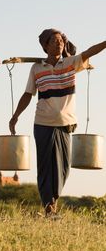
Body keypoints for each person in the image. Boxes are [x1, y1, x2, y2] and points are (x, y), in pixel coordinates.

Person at [9, 28, 106, 217]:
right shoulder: (37, 68)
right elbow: (28, 94)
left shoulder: (71, 63)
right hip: (43, 122)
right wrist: (15, 116)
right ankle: (49, 206)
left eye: (61, 40)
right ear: (45, 46)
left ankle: (53, 201)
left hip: (65, 122)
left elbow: (90, 51)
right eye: (54, 41)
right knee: (46, 165)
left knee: (63, 167)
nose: (59, 43)